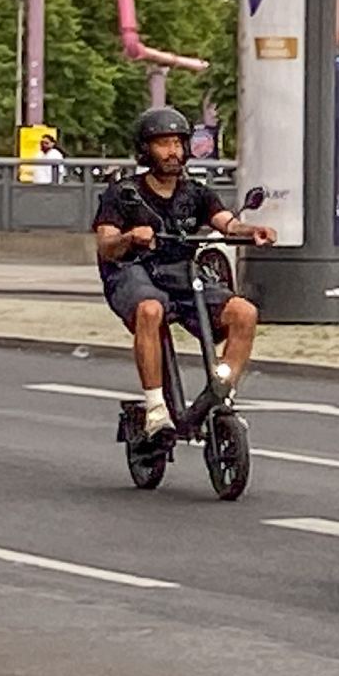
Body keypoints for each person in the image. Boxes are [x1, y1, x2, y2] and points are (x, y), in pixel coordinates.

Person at [92, 107, 276, 440]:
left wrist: (252, 232)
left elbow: (227, 223)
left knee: (244, 313)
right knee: (150, 310)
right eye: (163, 144)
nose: (173, 151)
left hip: (183, 273)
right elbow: (106, 245)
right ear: (146, 149)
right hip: (135, 272)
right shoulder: (123, 193)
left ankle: (221, 398)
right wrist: (130, 237)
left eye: (178, 143)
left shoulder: (196, 193)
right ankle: (156, 409)